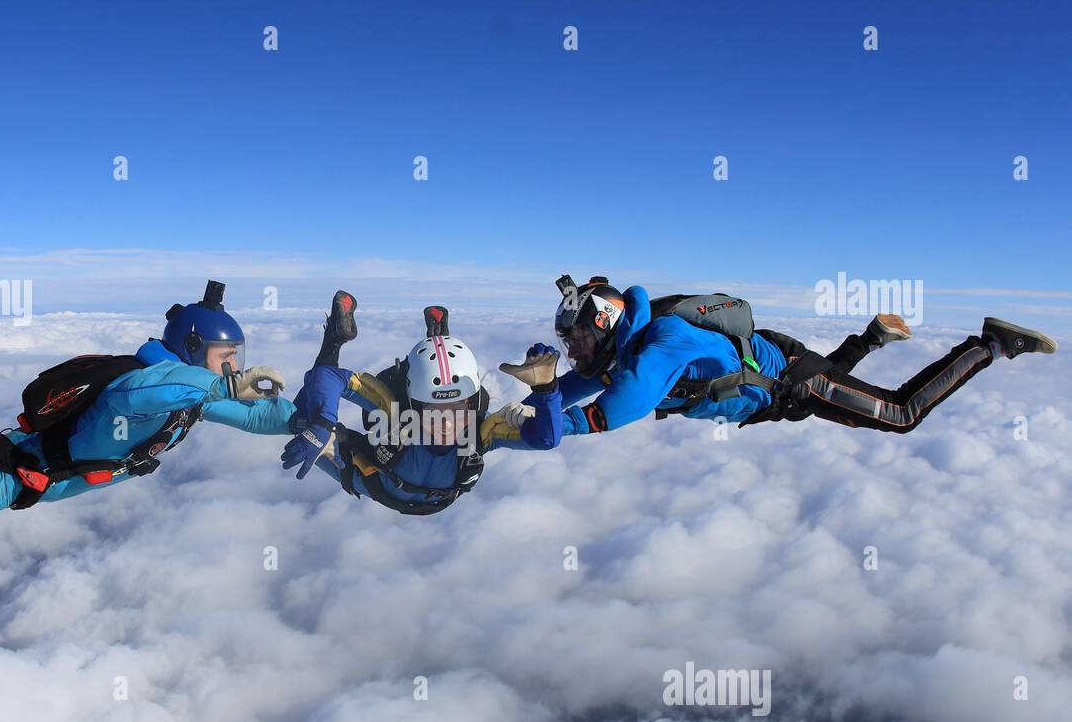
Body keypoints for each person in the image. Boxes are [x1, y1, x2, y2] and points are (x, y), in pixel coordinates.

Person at [0, 280, 291, 528]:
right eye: (226, 358)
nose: (234, 369)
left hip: (21, 459)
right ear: (193, 348)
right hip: (10, 478)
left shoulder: (190, 400)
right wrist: (222, 389)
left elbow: (261, 415)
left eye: (237, 361)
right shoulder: (148, 390)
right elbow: (147, 392)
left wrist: (314, 420)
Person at [548, 275, 1057, 436]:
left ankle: (988, 345)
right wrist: (539, 396)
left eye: (580, 342)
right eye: (570, 346)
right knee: (821, 387)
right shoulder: (630, 345)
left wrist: (561, 425)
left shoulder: (660, 342)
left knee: (900, 414)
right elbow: (590, 383)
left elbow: (623, 404)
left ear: (606, 323)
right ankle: (872, 338)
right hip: (778, 373)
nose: (577, 354)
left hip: (791, 378)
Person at [280, 291, 563, 515]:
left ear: (473, 402)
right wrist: (321, 423)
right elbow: (327, 376)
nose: (448, 422)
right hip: (372, 481)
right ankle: (335, 340)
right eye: (433, 411)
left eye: (458, 408)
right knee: (303, 423)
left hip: (381, 487)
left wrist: (547, 389)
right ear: (415, 406)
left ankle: (438, 342)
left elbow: (547, 439)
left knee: (307, 424)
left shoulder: (482, 431)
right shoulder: (396, 412)